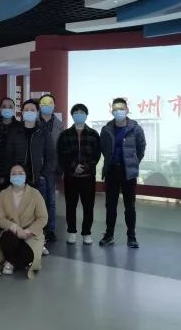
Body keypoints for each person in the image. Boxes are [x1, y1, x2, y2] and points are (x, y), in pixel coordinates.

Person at [4, 100, 54, 255]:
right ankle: (19, 240)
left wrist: (44, 174)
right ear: (22, 112)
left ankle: (39, 241)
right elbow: (8, 155)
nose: (29, 112)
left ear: (37, 112)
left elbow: (50, 155)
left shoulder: (43, 132)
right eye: (26, 109)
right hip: (18, 179)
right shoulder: (15, 131)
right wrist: (11, 174)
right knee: (19, 211)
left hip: (38, 179)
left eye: (32, 109)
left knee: (38, 212)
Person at [99, 98, 146, 249]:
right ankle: (109, 235)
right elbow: (103, 148)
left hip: (128, 173)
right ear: (112, 111)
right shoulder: (106, 129)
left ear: (127, 110)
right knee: (110, 206)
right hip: (112, 171)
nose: (118, 111)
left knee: (129, 206)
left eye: (121, 108)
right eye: (115, 109)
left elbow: (141, 149)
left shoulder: (136, 129)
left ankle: (131, 237)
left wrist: (133, 162)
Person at [0, 164, 48, 279]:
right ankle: (16, 262)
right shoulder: (2, 194)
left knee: (30, 253)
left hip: (31, 235)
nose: (17, 176)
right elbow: (0, 219)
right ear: (9, 176)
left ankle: (11, 261)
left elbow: (43, 218)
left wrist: (28, 231)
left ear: (26, 175)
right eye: (14, 174)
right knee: (7, 240)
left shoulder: (35, 194)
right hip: (11, 233)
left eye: (20, 173)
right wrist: (15, 228)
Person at [57, 104, 100, 245]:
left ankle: (87, 233)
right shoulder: (65, 134)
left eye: (82, 112)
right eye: (76, 112)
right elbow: (62, 154)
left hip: (88, 177)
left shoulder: (93, 134)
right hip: (71, 177)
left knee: (88, 207)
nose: (79, 115)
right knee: (71, 206)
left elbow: (96, 154)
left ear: (86, 115)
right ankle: (71, 232)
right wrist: (74, 167)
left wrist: (85, 167)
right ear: (72, 115)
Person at [37, 94, 63, 243]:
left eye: (50, 103)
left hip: (52, 167)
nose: (47, 105)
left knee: (51, 200)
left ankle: (51, 229)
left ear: (54, 105)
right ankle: (38, 228)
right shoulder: (33, 121)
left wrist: (59, 168)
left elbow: (61, 148)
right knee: (37, 199)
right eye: (44, 103)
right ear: (40, 105)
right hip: (36, 166)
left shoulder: (59, 124)